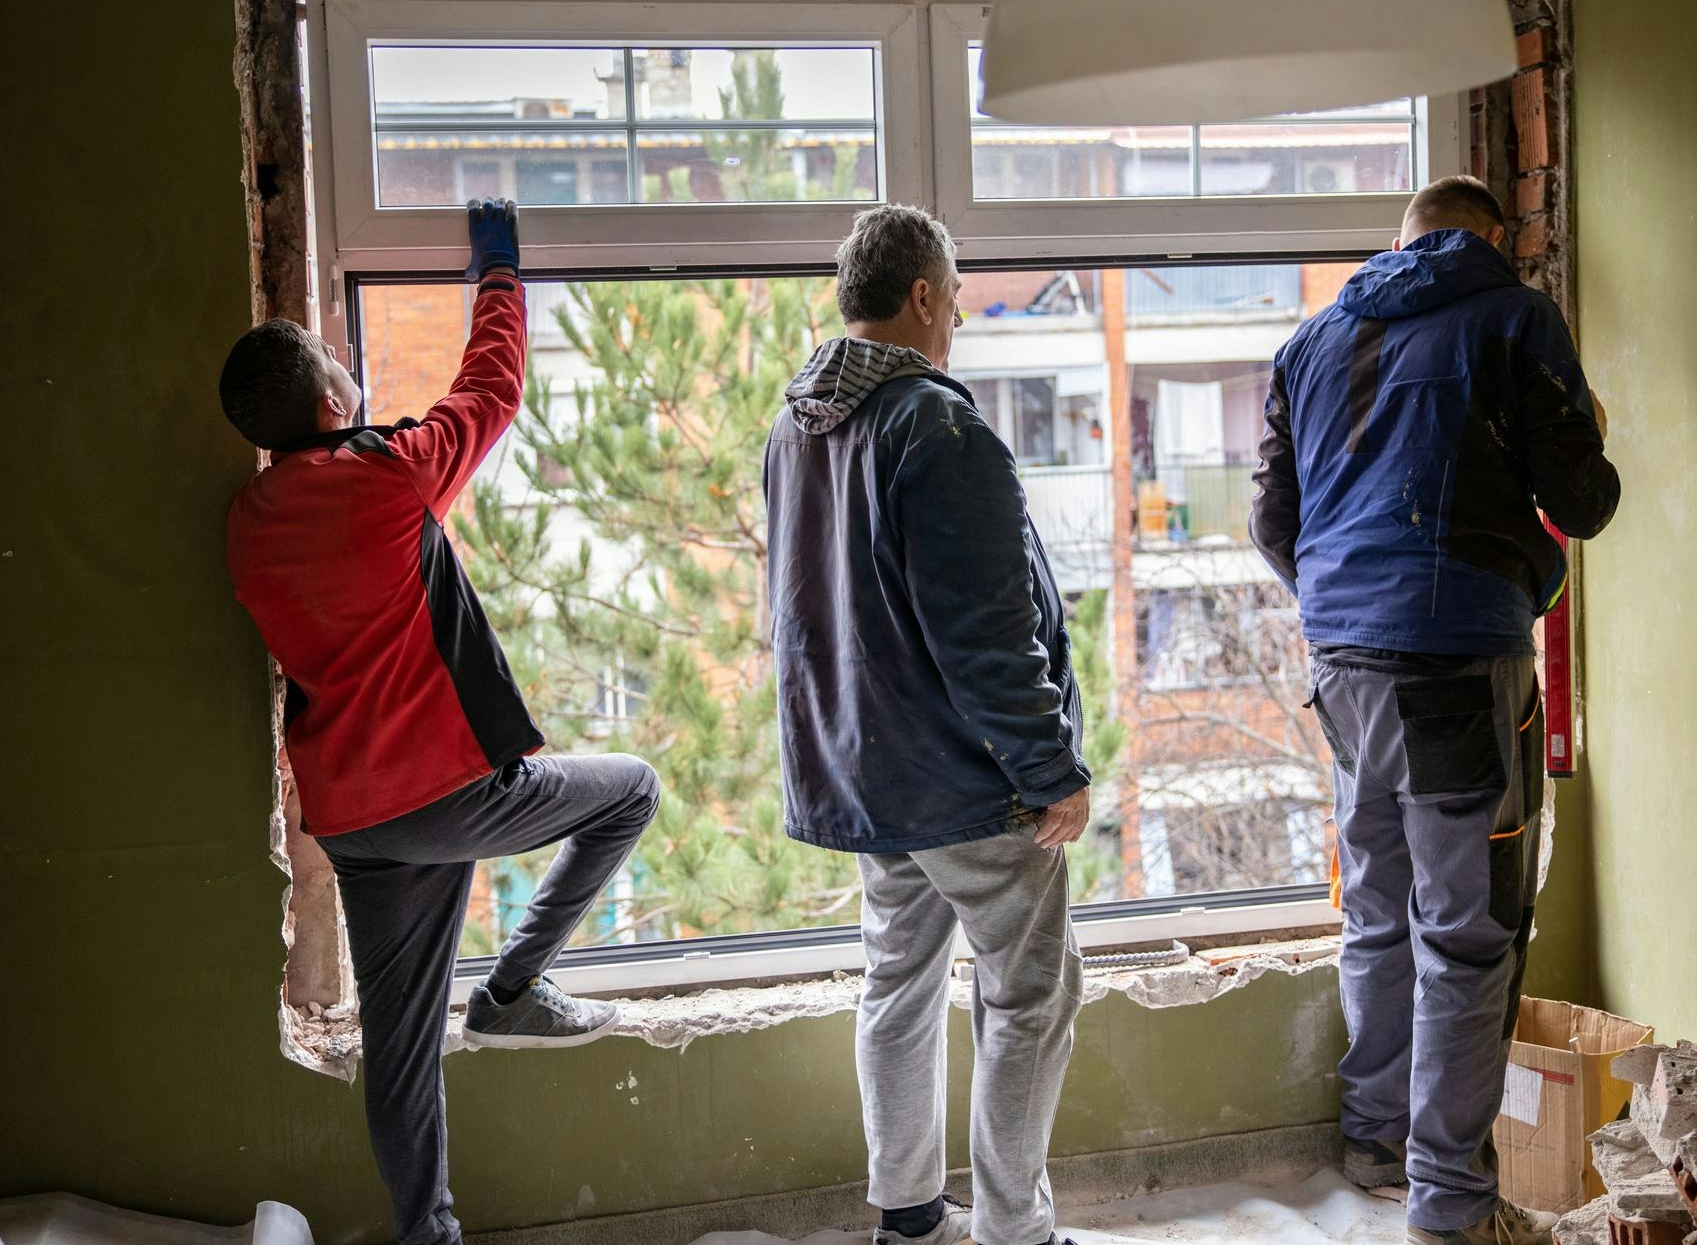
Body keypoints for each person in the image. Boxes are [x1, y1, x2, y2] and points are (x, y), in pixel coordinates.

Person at [221, 201, 660, 1245]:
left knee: (402, 1046)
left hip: (359, 821)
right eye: (339, 359)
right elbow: (492, 390)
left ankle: (430, 1233)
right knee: (632, 789)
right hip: (453, 793)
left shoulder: (248, 525)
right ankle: (512, 990)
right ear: (333, 399)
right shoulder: (385, 476)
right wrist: (499, 265)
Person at [1250, 176, 1618, 1245]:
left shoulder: (1312, 341)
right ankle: (1450, 1205)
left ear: (1400, 242)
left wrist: (1342, 604)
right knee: (1468, 934)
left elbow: (1272, 519)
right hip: (1456, 668)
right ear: (1492, 238)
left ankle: (1372, 1140)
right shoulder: (1514, 316)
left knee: (1376, 903)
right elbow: (1583, 501)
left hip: (1342, 667)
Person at [762, 204, 1091, 1245]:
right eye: (951, 296)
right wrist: (1050, 768)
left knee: (899, 983)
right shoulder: (937, 428)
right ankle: (1012, 1229)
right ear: (918, 297)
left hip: (864, 768)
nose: (955, 316)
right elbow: (987, 637)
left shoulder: (795, 423)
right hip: (959, 775)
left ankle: (909, 1218)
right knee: (1030, 992)